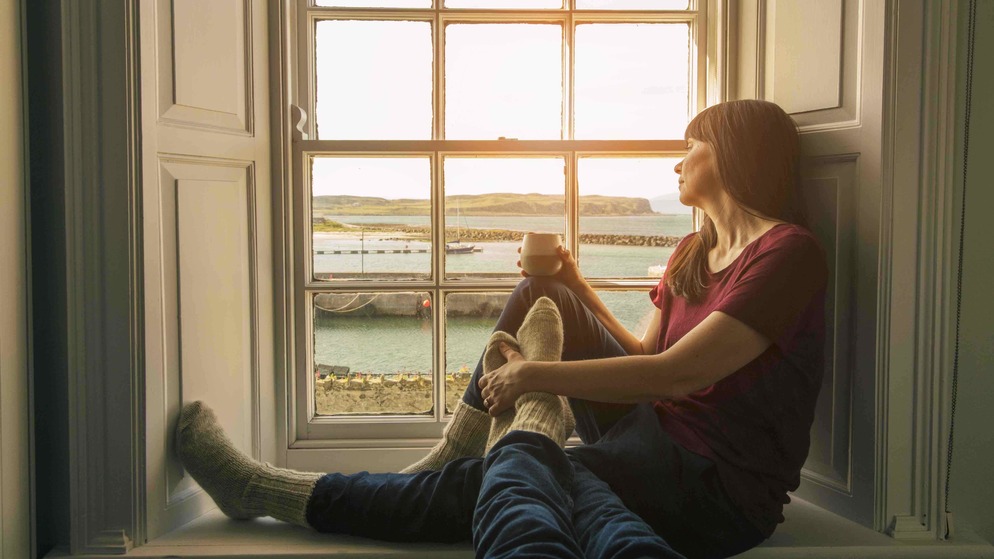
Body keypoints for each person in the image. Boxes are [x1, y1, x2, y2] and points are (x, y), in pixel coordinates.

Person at [176, 98, 828, 559]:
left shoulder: (787, 253)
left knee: (493, 481)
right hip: (647, 435)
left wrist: (531, 374)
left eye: (693, 144)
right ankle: (457, 447)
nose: (677, 162)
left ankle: (261, 488)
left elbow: (679, 371)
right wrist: (572, 281)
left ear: (736, 152)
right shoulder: (692, 250)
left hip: (714, 485)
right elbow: (640, 356)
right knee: (541, 288)